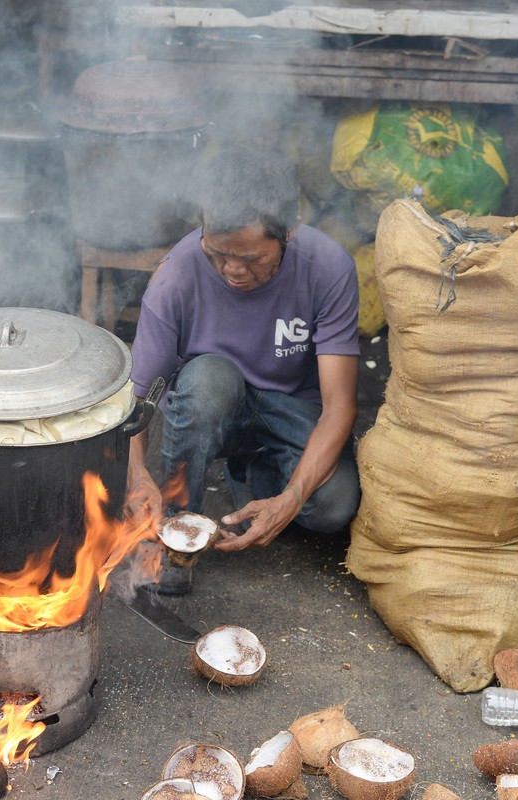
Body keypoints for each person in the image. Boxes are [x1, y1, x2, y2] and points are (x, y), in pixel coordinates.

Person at [124, 148, 361, 595]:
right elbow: (135, 401)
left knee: (331, 507)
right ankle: (173, 540)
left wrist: (290, 501)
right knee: (210, 379)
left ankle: (256, 475)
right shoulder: (176, 276)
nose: (232, 270)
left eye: (251, 257)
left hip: (289, 409)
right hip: (213, 403)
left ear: (288, 232)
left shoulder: (329, 268)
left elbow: (339, 408)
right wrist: (137, 474)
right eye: (218, 252)